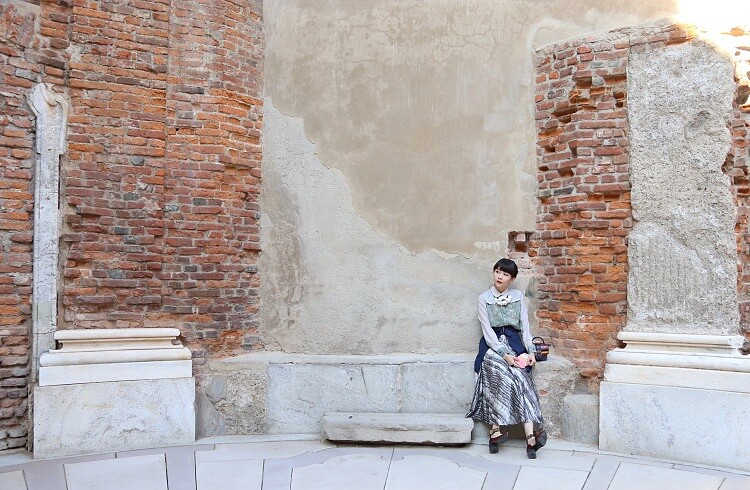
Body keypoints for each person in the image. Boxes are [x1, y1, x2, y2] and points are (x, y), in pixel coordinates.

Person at [466, 258, 547, 458]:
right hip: (492, 347)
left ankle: (530, 438)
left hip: (515, 343)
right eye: (497, 272)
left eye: (505, 274)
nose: (500, 276)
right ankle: (495, 431)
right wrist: (505, 355)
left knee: (521, 377)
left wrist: (530, 352)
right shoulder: (484, 298)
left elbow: (525, 328)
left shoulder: (518, 297)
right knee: (499, 372)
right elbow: (488, 333)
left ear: (512, 279)